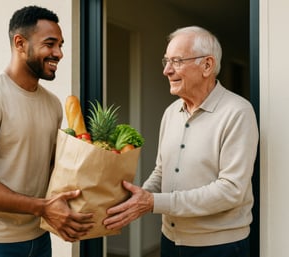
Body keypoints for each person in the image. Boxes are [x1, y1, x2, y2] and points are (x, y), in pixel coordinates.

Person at [103, 26, 259, 257]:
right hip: (170, 241)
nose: (166, 70)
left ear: (207, 65)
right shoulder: (170, 112)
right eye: (166, 61)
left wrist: (152, 202)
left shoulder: (238, 112)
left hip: (219, 247)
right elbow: (161, 171)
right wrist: (136, 200)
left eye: (176, 61)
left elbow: (231, 190)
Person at [0, 5, 94, 257]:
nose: (59, 53)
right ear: (20, 43)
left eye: (61, 45)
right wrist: (42, 208)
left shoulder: (53, 104)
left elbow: (51, 168)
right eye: (50, 44)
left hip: (38, 238)